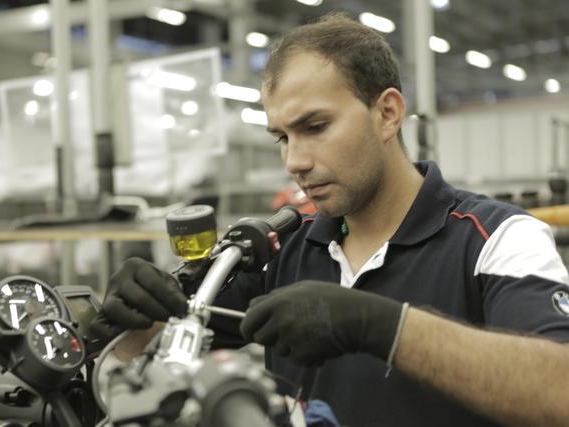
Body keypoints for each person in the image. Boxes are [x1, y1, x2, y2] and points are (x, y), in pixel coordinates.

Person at [90, 12, 569, 426]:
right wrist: (133, 317)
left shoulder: (496, 239)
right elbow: (151, 361)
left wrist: (379, 326)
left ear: (387, 114)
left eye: (315, 127)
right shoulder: (282, 250)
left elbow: (559, 392)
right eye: (282, 138)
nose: (294, 161)